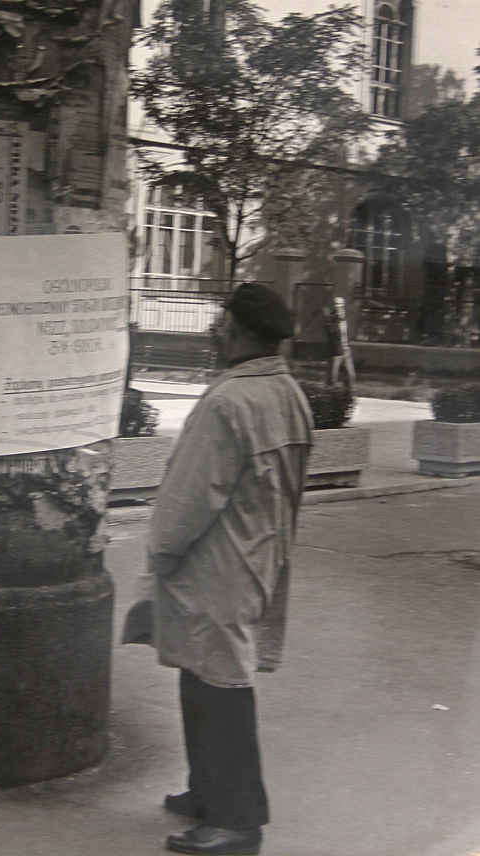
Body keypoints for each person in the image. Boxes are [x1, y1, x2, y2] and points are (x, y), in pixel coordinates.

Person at [147, 282, 313, 856]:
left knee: (220, 685)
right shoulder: (289, 394)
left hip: (216, 561)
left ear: (240, 332)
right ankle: (207, 791)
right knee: (202, 674)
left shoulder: (228, 403)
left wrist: (161, 552)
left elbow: (190, 496)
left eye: (221, 323)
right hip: (260, 554)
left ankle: (237, 822)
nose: (214, 331)